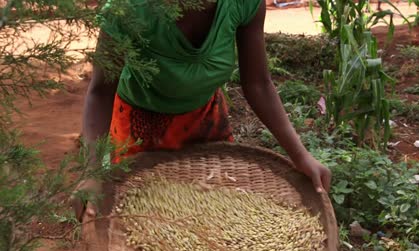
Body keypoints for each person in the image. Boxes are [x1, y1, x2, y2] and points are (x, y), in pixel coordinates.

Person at [72, 0, 331, 222]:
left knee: (210, 216)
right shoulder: (129, 9)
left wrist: (300, 155)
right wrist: (95, 172)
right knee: (145, 221)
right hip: (139, 127)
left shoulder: (243, 4)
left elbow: (258, 84)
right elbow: (101, 92)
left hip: (206, 121)